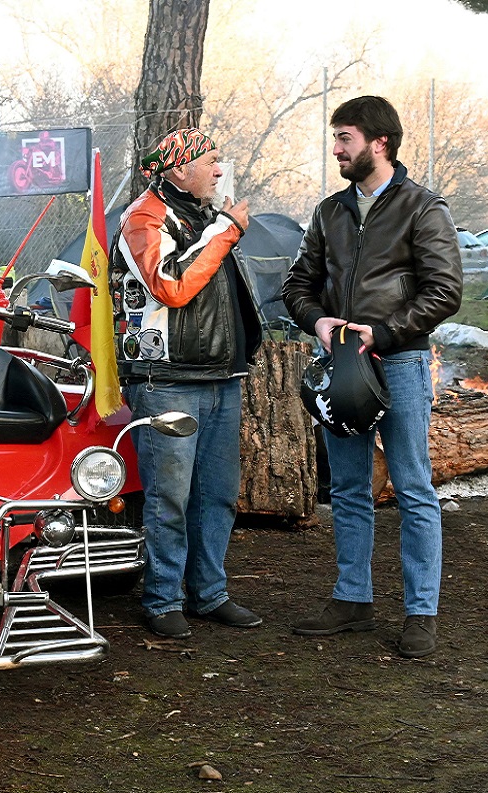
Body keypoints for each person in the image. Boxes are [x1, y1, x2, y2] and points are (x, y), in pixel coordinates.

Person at [282, 96, 463, 658]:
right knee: (349, 487)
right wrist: (318, 320)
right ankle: (353, 599)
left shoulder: (423, 209)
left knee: (412, 487)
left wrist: (381, 333)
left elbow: (445, 291)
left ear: (379, 143)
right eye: (335, 139)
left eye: (345, 139)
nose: (336, 149)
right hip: (342, 365)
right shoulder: (329, 212)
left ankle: (421, 612)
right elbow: (297, 285)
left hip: (401, 363)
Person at [111, 127, 263, 640]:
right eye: (211, 161)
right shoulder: (143, 218)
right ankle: (162, 600)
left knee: (217, 495)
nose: (219, 170)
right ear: (179, 169)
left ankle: (209, 594)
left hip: (221, 376)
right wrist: (224, 231)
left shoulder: (203, 217)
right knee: (168, 499)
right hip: (165, 380)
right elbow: (171, 286)